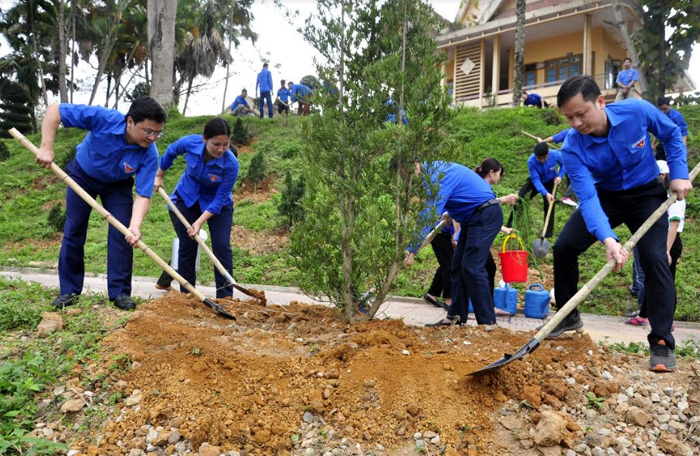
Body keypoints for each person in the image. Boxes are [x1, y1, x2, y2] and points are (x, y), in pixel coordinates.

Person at [550, 75, 691, 373]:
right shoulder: (572, 147)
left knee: (655, 258)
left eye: (580, 114)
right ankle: (567, 314)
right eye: (569, 117)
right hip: (606, 198)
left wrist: (678, 172)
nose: (575, 123)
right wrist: (608, 239)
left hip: (646, 195)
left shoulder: (636, 111)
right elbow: (587, 199)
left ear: (601, 102)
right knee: (564, 247)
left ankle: (662, 343)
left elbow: (672, 134)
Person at [35, 97, 167, 310]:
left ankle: (120, 293)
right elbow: (54, 111)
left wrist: (135, 226)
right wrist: (46, 147)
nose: (152, 138)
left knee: (122, 233)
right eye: (148, 131)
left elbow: (143, 195)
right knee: (74, 230)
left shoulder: (150, 154)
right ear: (130, 121)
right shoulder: (105, 119)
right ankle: (69, 290)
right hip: (82, 176)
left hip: (117, 186)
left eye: (157, 133)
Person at [401, 161, 503, 327]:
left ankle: (488, 323)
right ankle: (455, 317)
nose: (407, 179)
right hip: (473, 217)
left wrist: (412, 250)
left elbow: (430, 212)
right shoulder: (436, 171)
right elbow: (466, 193)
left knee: (472, 267)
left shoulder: (437, 174)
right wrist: (451, 212)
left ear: (414, 164)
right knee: (458, 266)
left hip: (485, 215)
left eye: (405, 173)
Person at [153, 118, 239, 299]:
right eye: (216, 144)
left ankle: (225, 297)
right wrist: (160, 175)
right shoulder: (189, 143)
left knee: (222, 247)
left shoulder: (231, 164)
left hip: (218, 205)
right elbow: (171, 152)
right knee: (187, 245)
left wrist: (199, 222)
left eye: (226, 144)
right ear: (204, 139)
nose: (221, 149)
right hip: (187, 198)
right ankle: (188, 295)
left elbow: (220, 198)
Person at [626, 161, 685, 330]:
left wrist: (665, 250)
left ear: (663, 175)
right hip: (657, 240)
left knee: (666, 282)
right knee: (651, 280)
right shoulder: (660, 195)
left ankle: (668, 321)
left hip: (669, 243)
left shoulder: (675, 197)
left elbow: (673, 224)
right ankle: (644, 315)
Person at [474, 158, 519, 317]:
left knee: (486, 268)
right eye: (499, 174)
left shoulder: (483, 186)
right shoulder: (481, 187)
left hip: (479, 235)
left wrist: (504, 229)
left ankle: (483, 306)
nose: (499, 178)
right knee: (479, 269)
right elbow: (484, 207)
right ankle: (484, 308)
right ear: (491, 173)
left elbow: (485, 212)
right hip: (476, 236)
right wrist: (505, 199)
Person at [506, 142, 565, 238]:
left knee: (550, 205)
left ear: (548, 154)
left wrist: (560, 176)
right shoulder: (531, 161)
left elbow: (564, 164)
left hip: (550, 182)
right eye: (539, 158)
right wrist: (545, 193)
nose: (542, 160)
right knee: (520, 198)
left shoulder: (556, 154)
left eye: (544, 158)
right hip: (534, 182)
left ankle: (547, 234)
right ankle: (510, 224)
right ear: (535, 156)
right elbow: (536, 180)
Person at [542, 128, 578, 207]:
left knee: (571, 177)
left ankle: (569, 197)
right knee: (579, 176)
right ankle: (567, 196)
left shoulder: (569, 132)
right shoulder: (571, 132)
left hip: (566, 159)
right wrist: (542, 142)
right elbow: (554, 138)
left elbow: (554, 138)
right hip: (574, 160)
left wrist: (543, 141)